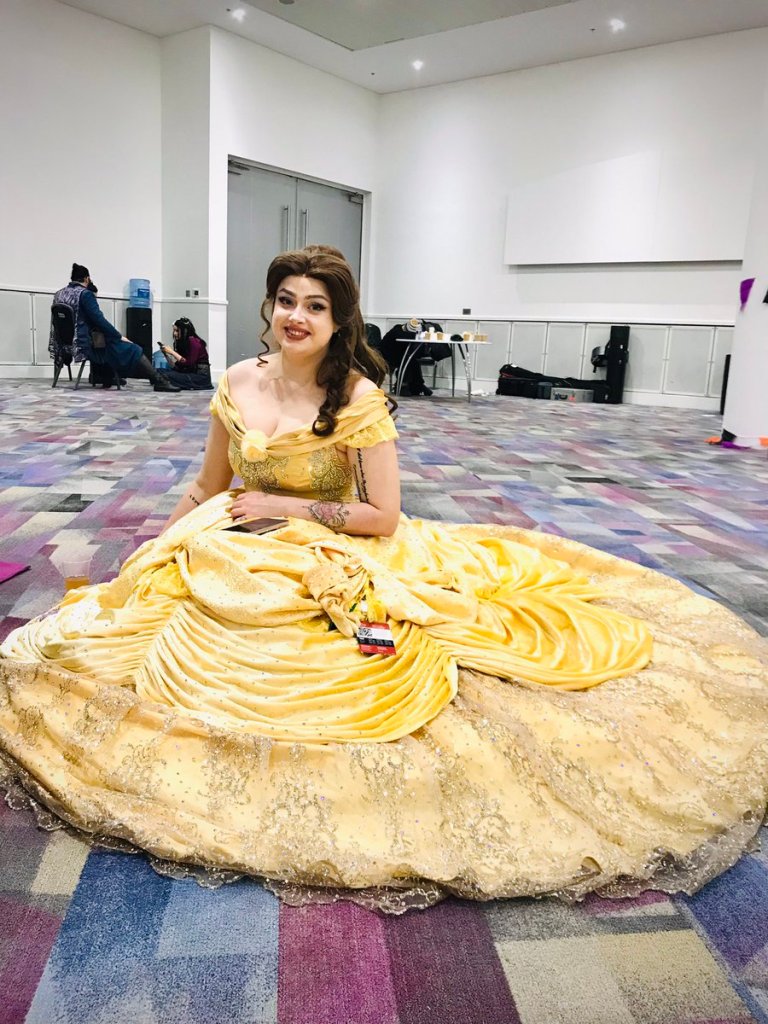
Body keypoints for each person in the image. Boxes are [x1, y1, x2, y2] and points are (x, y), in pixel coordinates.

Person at [2, 248, 767, 912]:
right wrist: (156, 545)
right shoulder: (235, 381)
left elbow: (382, 516)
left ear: (339, 321)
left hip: (334, 545)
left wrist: (286, 507)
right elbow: (208, 486)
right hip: (232, 541)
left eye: (316, 306)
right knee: (128, 631)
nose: (297, 316)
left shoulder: (358, 400)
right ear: (269, 308)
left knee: (336, 661)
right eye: (286, 301)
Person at [49, 263, 180, 392]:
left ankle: (104, 376)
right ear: (87, 279)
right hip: (83, 344)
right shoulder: (85, 294)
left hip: (64, 343)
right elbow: (99, 320)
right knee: (132, 348)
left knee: (104, 342)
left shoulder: (59, 294)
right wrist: (119, 336)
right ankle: (158, 380)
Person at [156, 318, 213, 390]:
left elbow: (188, 363)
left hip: (199, 377)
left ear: (185, 331)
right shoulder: (183, 342)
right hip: (188, 373)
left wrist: (172, 352)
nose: (174, 333)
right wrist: (165, 354)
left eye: (177, 331)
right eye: (174, 330)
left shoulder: (194, 342)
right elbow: (175, 367)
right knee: (158, 371)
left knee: (165, 376)